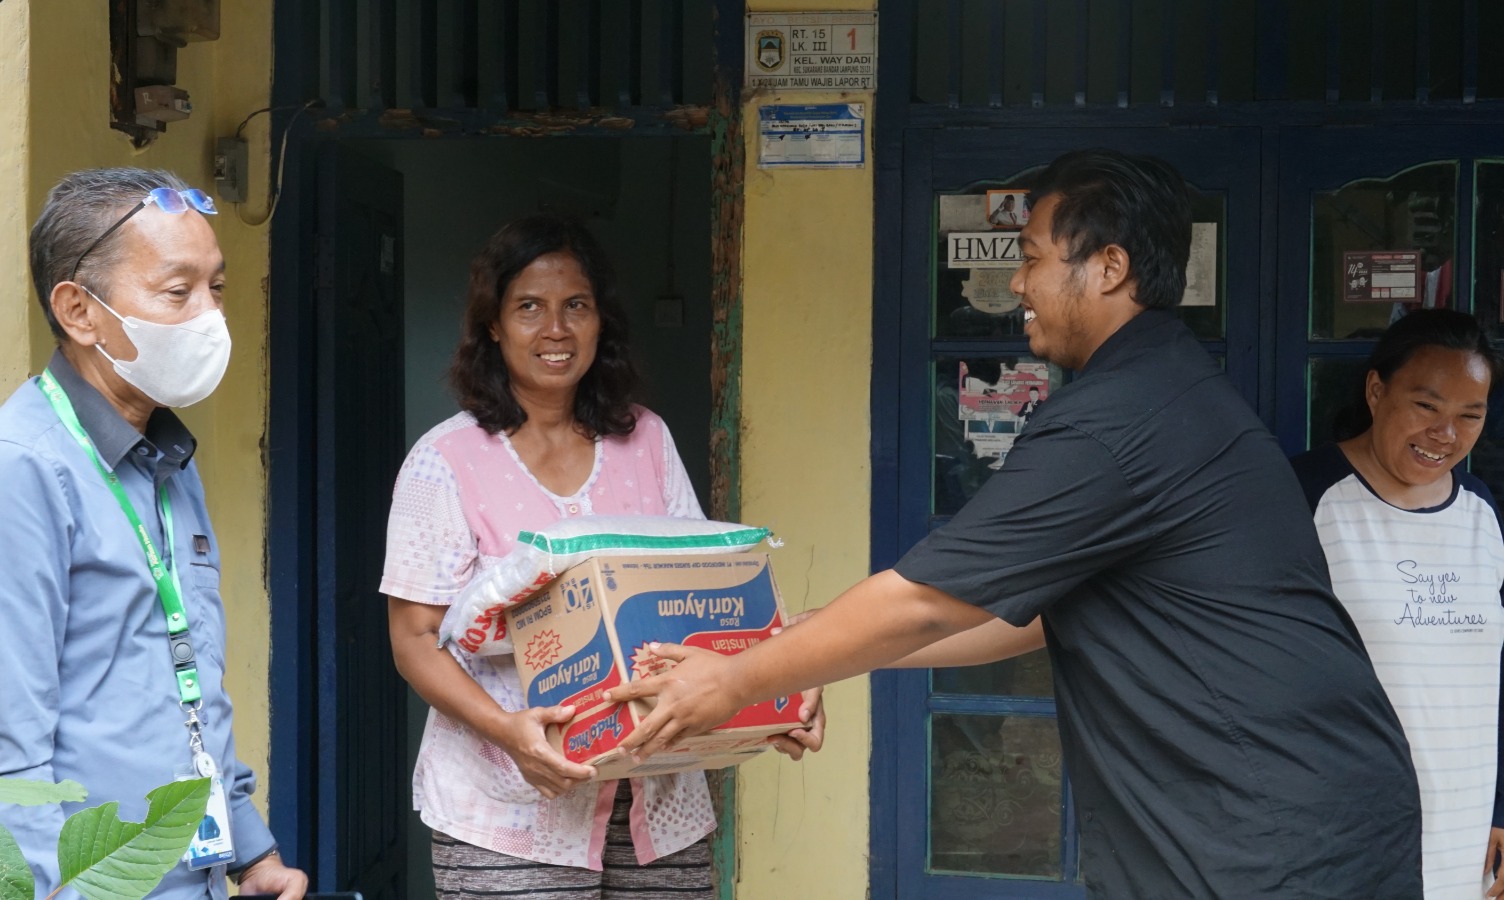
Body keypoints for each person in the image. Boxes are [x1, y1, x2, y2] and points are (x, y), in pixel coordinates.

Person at [607, 148, 1423, 897]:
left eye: (1032, 257)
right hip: (1295, 815)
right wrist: (788, 651)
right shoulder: (1164, 392)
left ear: (1109, 268)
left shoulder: (1121, 419)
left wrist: (738, 680)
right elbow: (1020, 615)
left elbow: (928, 599)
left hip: (1274, 838)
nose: (1018, 285)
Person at [381, 214, 821, 899]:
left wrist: (768, 697)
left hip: (657, 801)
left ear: (600, 322)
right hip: (511, 807)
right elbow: (413, 641)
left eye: (575, 306)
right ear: (493, 325)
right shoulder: (445, 461)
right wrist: (509, 732)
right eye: (529, 307)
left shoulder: (644, 439)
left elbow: (700, 593)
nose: (555, 329)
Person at [0, 168, 307, 899]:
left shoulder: (165, 458)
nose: (208, 318)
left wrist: (251, 853)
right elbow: (4, 768)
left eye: (215, 289)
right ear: (78, 311)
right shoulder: (11, 476)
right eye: (177, 291)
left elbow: (188, 691)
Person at [1292, 309, 1504, 899]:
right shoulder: (1304, 495)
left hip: (1464, 826)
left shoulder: (1482, 511)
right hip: (1339, 829)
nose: (1447, 434)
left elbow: (1497, 674)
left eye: (1470, 415)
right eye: (1428, 406)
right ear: (1377, 390)